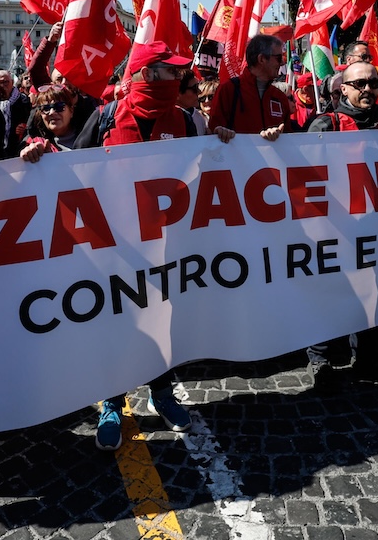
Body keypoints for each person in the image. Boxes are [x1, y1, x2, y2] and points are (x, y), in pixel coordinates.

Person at [95, 41, 197, 450]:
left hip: (166, 247)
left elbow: (206, 168)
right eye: (172, 71)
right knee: (117, 323)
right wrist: (37, 157)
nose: (180, 78)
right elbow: (66, 164)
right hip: (114, 249)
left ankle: (161, 392)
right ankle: (112, 403)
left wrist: (225, 140)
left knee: (163, 322)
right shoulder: (106, 116)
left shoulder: (188, 121)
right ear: (148, 76)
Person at [304, 62, 378, 386]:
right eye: (359, 84)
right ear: (344, 89)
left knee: (372, 295)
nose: (367, 88)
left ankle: (367, 356)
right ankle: (321, 360)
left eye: (373, 82)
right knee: (329, 294)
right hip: (332, 231)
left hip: (373, 228)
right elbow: (301, 173)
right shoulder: (326, 125)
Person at [206, 33, 289, 141]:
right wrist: (221, 132)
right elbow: (213, 134)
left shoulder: (280, 97)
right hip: (237, 157)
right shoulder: (228, 90)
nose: (282, 63)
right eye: (278, 58)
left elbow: (289, 140)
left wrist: (278, 136)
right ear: (262, 59)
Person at [177, 70, 209, 135]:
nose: (199, 92)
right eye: (195, 88)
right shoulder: (165, 119)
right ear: (178, 93)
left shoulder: (199, 118)